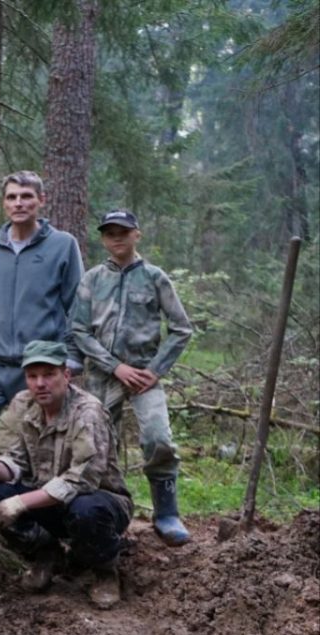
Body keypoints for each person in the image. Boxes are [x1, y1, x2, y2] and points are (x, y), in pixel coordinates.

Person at [0, 341, 132, 610]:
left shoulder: (88, 412)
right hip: (47, 500)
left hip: (101, 501)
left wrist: (21, 503)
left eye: (48, 374)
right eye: (33, 376)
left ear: (66, 375)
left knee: (86, 509)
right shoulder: (22, 405)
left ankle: (105, 569)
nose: (40, 383)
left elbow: (83, 480)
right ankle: (46, 553)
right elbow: (14, 461)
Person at [72, 209, 194, 545]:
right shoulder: (92, 279)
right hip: (102, 376)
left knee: (158, 438)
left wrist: (154, 370)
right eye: (110, 233)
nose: (117, 238)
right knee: (97, 446)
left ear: (136, 235)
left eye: (123, 232)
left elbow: (182, 329)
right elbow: (79, 331)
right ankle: (106, 514)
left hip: (144, 376)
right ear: (103, 238)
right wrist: (114, 366)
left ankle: (167, 513)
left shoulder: (155, 277)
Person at [0, 171, 84, 442]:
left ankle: (30, 485)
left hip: (40, 364)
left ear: (41, 200)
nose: (19, 203)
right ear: (4, 203)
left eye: (26, 197)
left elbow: (77, 306)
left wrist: (73, 353)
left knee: (40, 436)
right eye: (12, 197)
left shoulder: (62, 245)